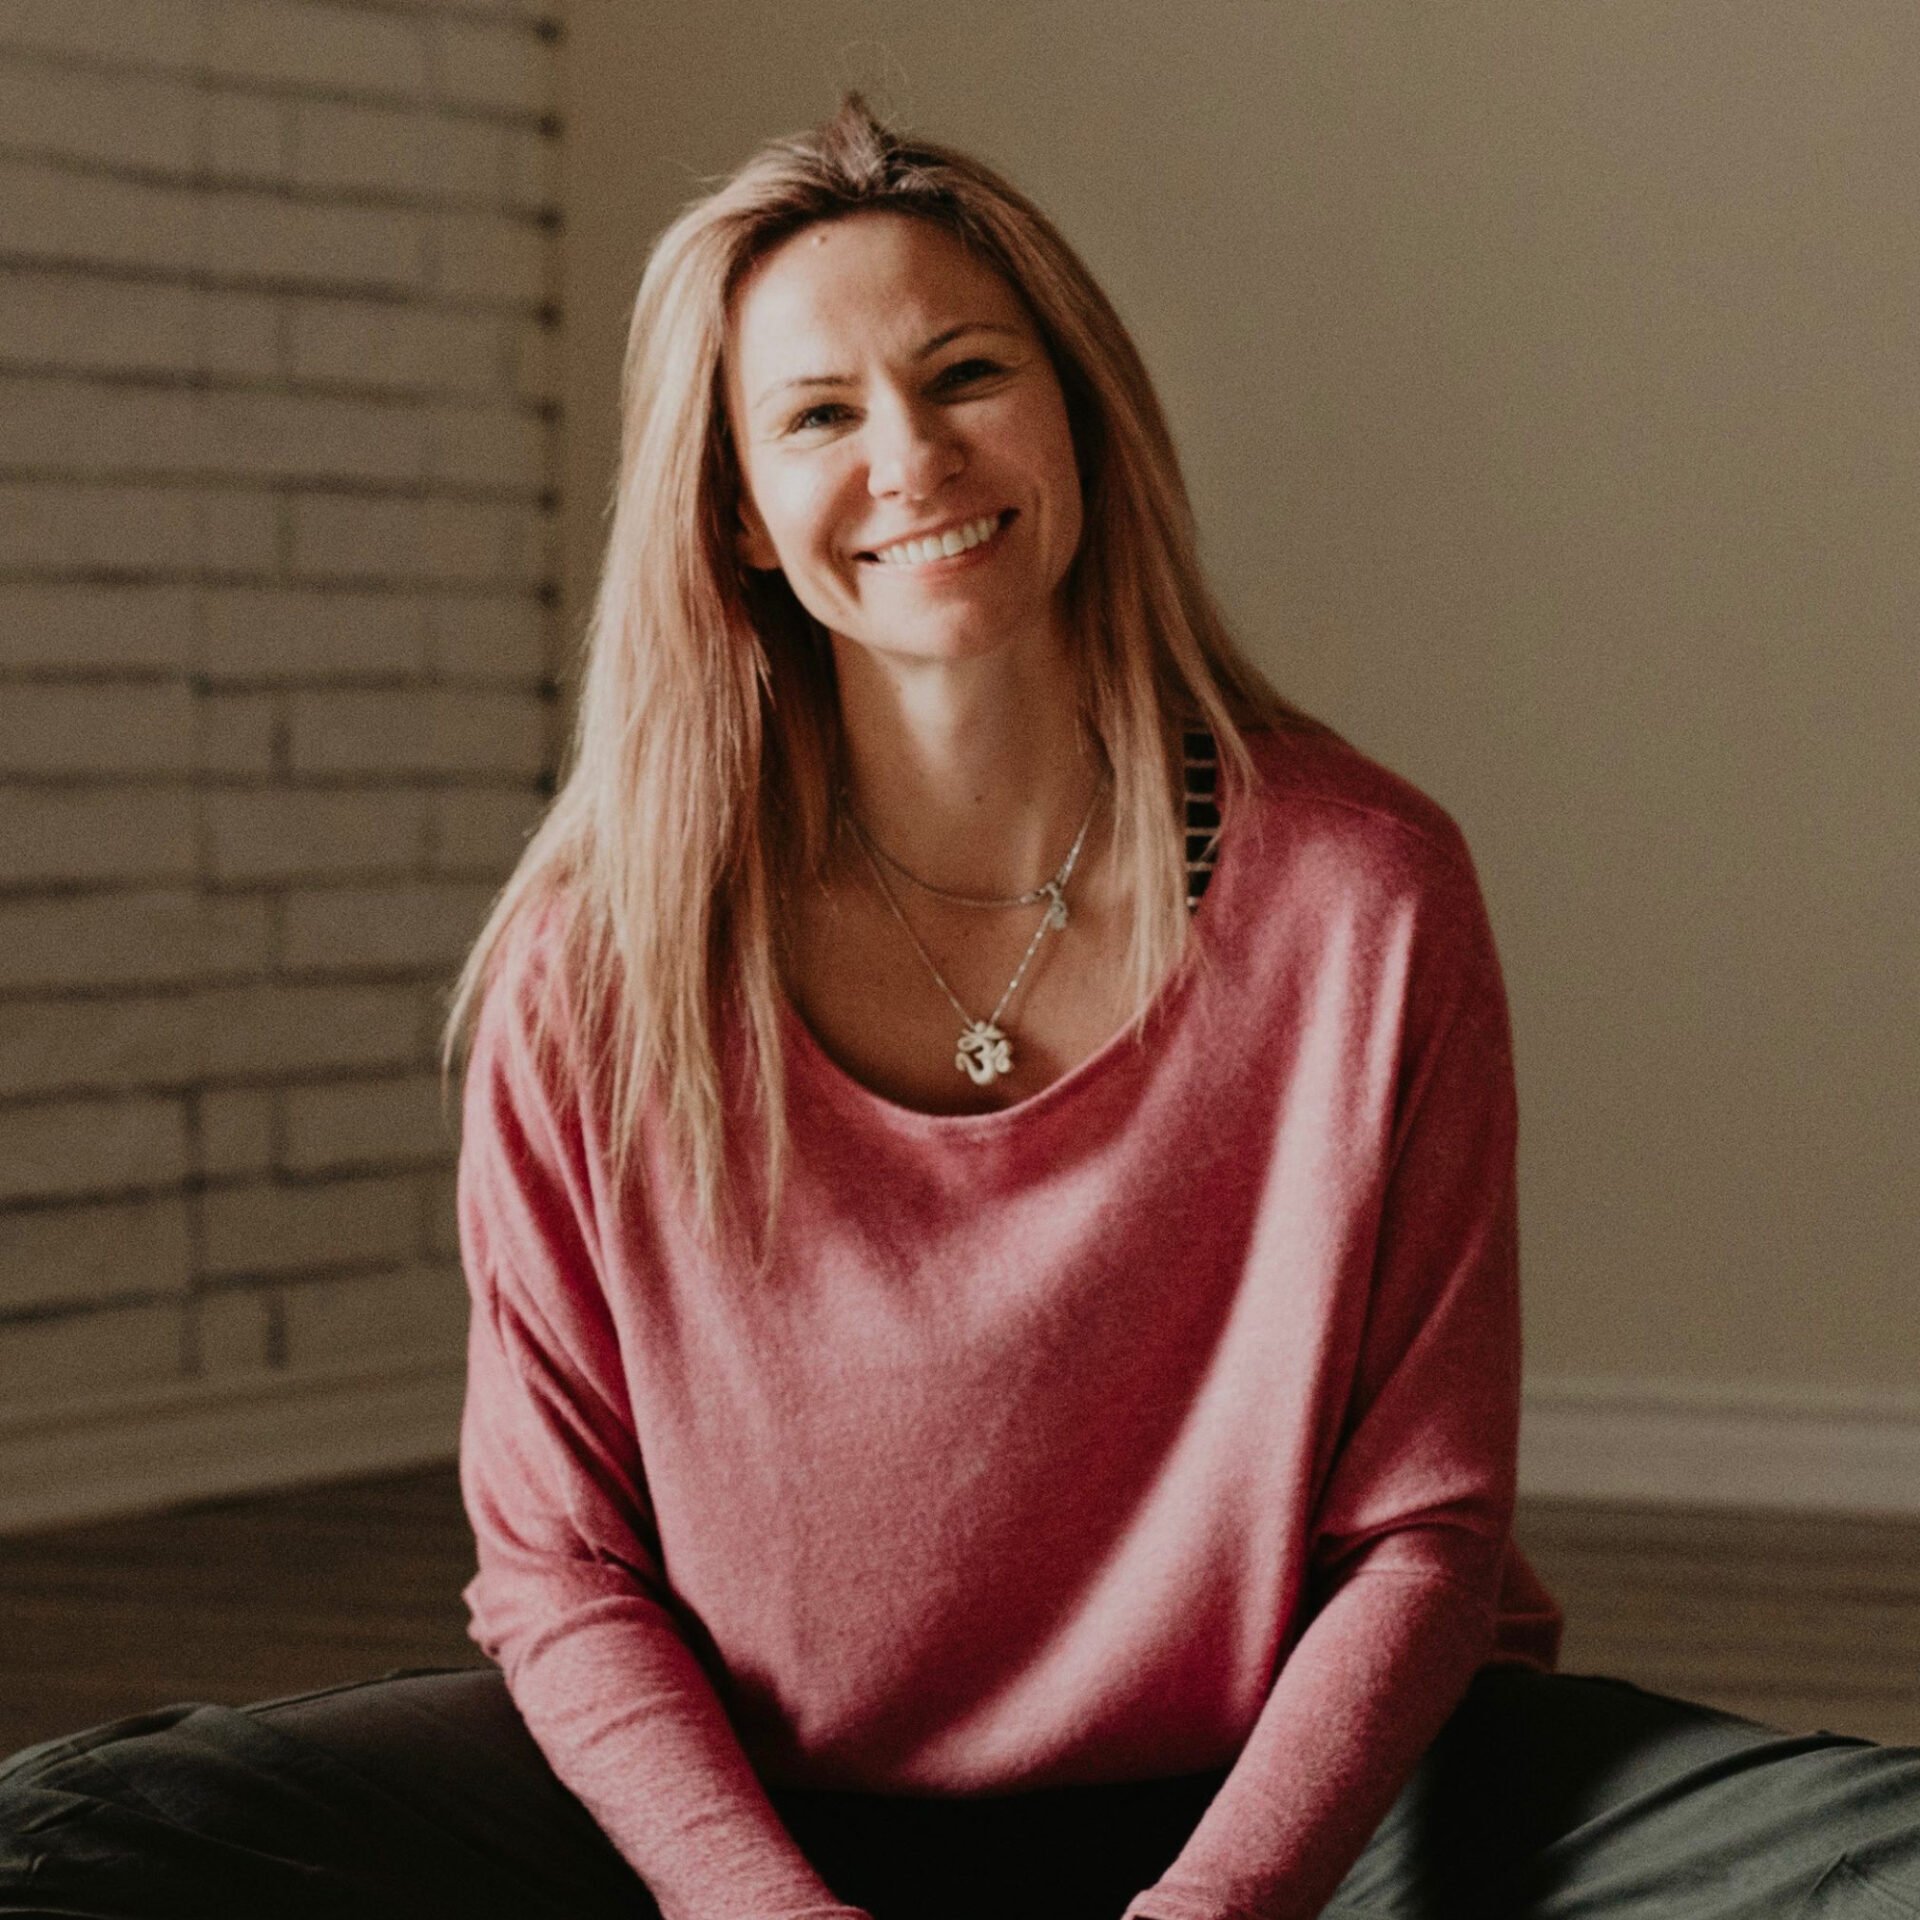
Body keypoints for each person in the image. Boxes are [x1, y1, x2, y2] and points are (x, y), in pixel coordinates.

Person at [2, 93, 1916, 1920]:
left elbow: (1423, 1535)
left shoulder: (1363, 893)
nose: (910, 458)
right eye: (819, 414)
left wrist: (1217, 1904)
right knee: (64, 1838)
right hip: (751, 1820)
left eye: (967, 374)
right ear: (740, 515)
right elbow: (562, 1567)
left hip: (1306, 1817)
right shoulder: (596, 962)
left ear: (1079, 414)